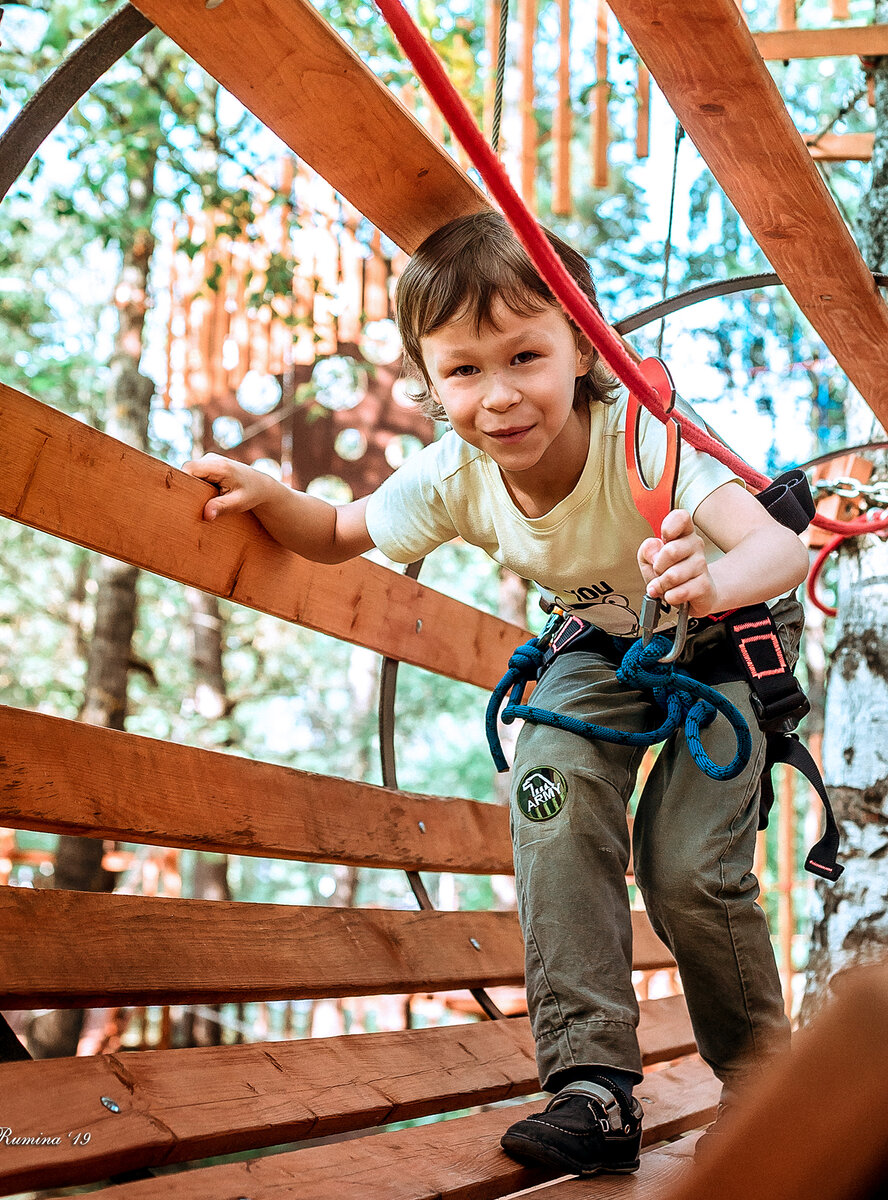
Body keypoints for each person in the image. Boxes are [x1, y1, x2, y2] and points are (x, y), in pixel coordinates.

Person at [185, 210, 809, 1177]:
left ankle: (771, 1090)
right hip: (607, 642)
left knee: (683, 863)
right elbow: (343, 527)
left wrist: (717, 581)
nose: (500, 396)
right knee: (550, 788)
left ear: (586, 351)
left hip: (725, 635)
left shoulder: (644, 442)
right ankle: (592, 1089)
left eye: (526, 356)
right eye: (464, 370)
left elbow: (782, 545)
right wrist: (274, 497)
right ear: (432, 383)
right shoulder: (454, 475)